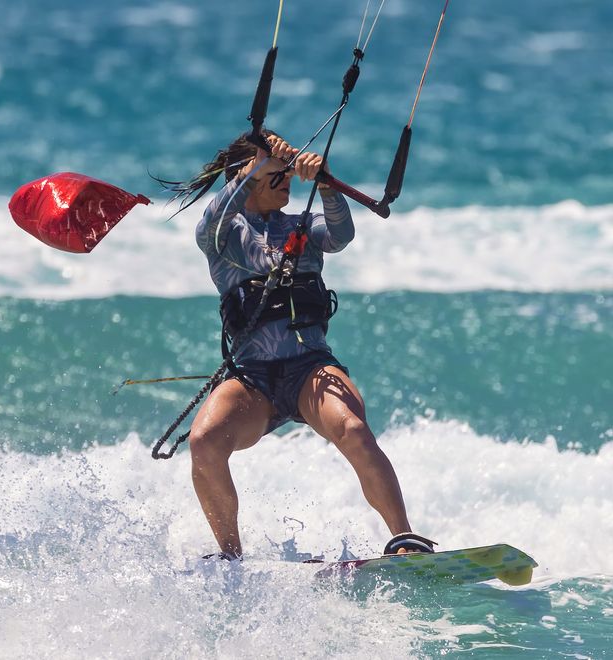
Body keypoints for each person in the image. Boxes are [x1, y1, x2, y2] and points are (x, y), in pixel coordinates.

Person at [181, 130, 432, 560]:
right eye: (278, 177)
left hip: (309, 369)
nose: (288, 183)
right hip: (253, 379)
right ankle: (230, 555)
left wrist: (327, 185)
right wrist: (256, 166)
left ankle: (406, 541)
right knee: (203, 442)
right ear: (249, 177)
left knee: (353, 428)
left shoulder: (300, 226)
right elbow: (214, 222)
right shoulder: (222, 236)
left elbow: (341, 234)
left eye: (288, 176)